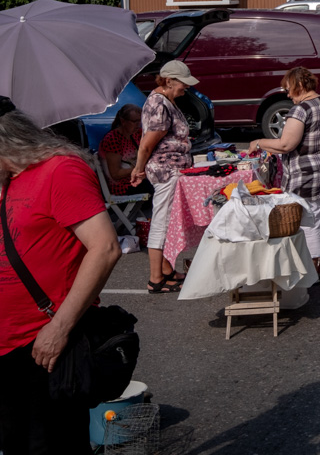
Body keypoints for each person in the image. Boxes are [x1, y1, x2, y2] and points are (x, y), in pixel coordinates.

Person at [0, 97, 121, 455]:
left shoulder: (59, 170)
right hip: (6, 345)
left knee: (53, 446)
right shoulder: (9, 179)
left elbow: (105, 248)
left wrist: (59, 328)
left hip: (46, 344)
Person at [249, 67, 320, 282]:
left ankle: (312, 268)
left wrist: (259, 142)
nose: (287, 94)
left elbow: (286, 144)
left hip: (307, 172)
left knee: (309, 219)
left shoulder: (300, 110)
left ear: (299, 86)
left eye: (288, 89)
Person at [131, 60, 197, 294]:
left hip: (167, 168)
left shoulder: (163, 100)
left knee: (166, 221)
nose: (185, 88)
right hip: (166, 170)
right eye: (182, 83)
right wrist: (138, 169)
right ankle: (155, 277)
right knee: (161, 222)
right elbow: (147, 145)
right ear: (168, 81)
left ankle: (167, 271)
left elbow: (146, 143)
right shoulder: (160, 103)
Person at [98, 103, 143, 196]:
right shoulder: (113, 139)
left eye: (140, 121)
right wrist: (141, 169)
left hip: (137, 179)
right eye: (135, 121)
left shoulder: (137, 134)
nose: (138, 125)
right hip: (123, 186)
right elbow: (115, 174)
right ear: (123, 121)